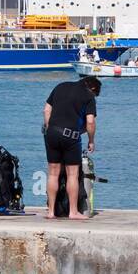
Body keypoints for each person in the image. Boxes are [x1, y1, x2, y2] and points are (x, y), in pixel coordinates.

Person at [42, 75, 99, 220]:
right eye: (96, 93)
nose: (95, 96)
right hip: (71, 136)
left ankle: (50, 212)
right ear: (92, 88)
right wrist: (91, 140)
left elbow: (46, 110)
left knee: (53, 173)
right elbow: (90, 122)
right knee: (72, 174)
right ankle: (73, 212)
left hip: (52, 134)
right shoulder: (89, 96)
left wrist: (51, 128)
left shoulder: (60, 86)